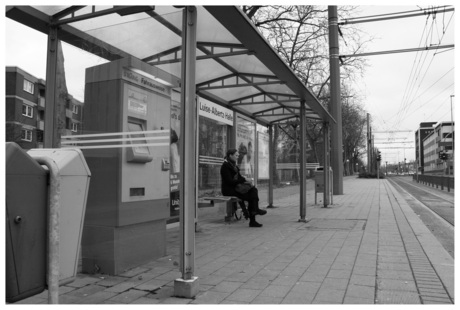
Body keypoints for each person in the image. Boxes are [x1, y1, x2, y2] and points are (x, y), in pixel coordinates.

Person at [220, 148, 267, 227]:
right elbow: (230, 182)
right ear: (230, 156)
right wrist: (243, 180)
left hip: (236, 188)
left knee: (253, 190)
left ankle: (255, 211)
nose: (237, 157)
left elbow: (239, 178)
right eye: (236, 155)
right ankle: (253, 217)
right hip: (229, 190)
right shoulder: (225, 166)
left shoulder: (233, 165)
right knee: (252, 196)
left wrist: (245, 180)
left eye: (238, 155)